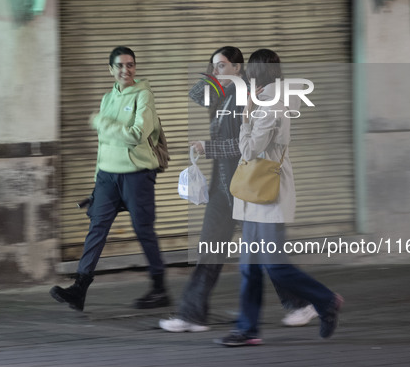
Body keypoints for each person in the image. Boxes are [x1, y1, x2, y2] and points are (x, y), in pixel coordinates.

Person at [159, 47, 313, 333]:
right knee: (209, 251)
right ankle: (192, 315)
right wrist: (215, 73)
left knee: (267, 253)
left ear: (239, 69)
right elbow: (194, 95)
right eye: (213, 66)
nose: (216, 71)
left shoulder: (247, 100)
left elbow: (244, 148)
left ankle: (301, 303)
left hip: (246, 187)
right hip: (222, 191)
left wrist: (208, 148)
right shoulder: (220, 95)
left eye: (223, 66)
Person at [217, 49, 343, 347]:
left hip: (268, 193)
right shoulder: (269, 97)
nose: (246, 75)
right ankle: (248, 330)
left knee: (273, 264)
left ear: (257, 73)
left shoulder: (270, 102)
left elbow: (249, 149)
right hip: (255, 192)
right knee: (249, 266)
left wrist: (246, 116)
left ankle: (325, 301)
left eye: (250, 70)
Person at [50, 46, 169, 311]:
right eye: (119, 65)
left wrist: (103, 124)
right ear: (111, 69)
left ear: (135, 68)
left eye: (130, 65)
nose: (125, 70)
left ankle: (160, 288)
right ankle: (79, 289)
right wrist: (97, 181)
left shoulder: (144, 95)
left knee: (143, 230)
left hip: (137, 175)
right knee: (97, 228)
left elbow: (138, 133)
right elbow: (103, 143)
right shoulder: (106, 99)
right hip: (107, 176)